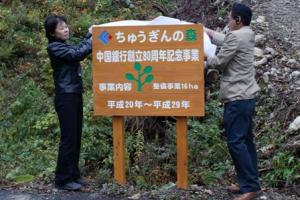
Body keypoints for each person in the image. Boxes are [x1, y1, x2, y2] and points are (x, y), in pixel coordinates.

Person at [205, 3, 261, 200]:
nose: (228, 22)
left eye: (230, 19)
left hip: (237, 98)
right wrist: (209, 33)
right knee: (246, 141)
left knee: (236, 142)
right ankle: (250, 183)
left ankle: (250, 188)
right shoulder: (247, 33)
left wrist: (203, 56)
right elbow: (228, 40)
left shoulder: (236, 36)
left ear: (238, 20)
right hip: (247, 97)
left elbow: (219, 62)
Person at [44, 15, 92, 191]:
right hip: (66, 97)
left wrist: (88, 36)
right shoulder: (54, 48)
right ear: (52, 33)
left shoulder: (62, 45)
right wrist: (92, 41)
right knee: (69, 138)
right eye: (61, 28)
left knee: (76, 137)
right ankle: (62, 179)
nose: (66, 29)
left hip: (74, 94)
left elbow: (78, 49)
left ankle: (73, 175)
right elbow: (77, 54)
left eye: (66, 26)